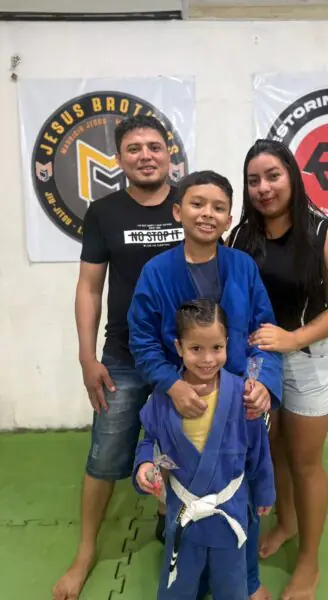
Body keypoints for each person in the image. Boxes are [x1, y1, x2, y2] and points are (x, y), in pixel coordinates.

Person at [127, 169, 283, 600]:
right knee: (185, 490)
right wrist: (171, 385)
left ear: (229, 218)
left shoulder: (242, 267)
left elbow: (264, 331)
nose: (207, 213)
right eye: (197, 204)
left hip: (237, 399)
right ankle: (187, 576)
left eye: (218, 207)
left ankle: (246, 580)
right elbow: (142, 339)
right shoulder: (157, 272)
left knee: (242, 491)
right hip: (180, 397)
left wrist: (261, 383)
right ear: (178, 211)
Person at [52, 115, 185, 600]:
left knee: (184, 447)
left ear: (169, 153)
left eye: (154, 146)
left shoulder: (189, 203)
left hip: (185, 359)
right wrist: (87, 358)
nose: (145, 155)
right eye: (134, 148)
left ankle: (171, 519)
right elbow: (89, 288)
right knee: (106, 456)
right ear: (119, 158)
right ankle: (86, 551)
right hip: (124, 356)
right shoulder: (104, 213)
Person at [228, 139, 328, 600]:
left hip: (307, 358)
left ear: (292, 177)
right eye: (254, 180)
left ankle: (309, 562)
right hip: (259, 360)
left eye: (273, 176)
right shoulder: (241, 236)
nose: (263, 188)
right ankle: (285, 523)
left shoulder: (324, 234)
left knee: (305, 462)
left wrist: (293, 338)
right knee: (274, 450)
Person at [133, 299, 275, 599]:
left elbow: (258, 450)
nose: (208, 359)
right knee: (180, 584)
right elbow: (151, 442)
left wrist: (264, 491)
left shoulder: (243, 395)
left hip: (229, 511)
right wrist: (146, 465)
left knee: (231, 584)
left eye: (217, 348)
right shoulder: (164, 397)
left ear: (227, 345)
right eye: (196, 348)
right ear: (179, 347)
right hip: (184, 513)